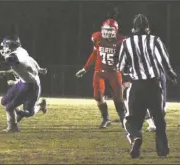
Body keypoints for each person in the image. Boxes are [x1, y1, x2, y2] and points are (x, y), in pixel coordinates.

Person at [117, 14, 177, 158]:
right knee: (159, 119)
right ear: (147, 28)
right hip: (153, 85)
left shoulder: (127, 43)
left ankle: (136, 137)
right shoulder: (155, 40)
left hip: (136, 86)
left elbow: (121, 66)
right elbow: (164, 62)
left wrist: (129, 73)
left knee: (131, 119)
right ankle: (162, 150)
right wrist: (171, 76)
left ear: (134, 28)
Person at [76, 19, 126, 128]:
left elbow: (126, 59)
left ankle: (123, 118)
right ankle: (105, 118)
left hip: (114, 72)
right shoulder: (97, 37)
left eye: (110, 30)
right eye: (105, 30)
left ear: (116, 30)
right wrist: (85, 68)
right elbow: (94, 53)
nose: (107, 32)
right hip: (99, 72)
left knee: (118, 97)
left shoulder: (122, 41)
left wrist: (126, 77)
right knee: (98, 96)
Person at [0, 36, 47, 132]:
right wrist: (39, 68)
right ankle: (16, 116)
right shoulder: (21, 50)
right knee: (4, 101)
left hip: (30, 86)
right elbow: (29, 60)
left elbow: (12, 61)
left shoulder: (13, 57)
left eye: (5, 46)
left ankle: (13, 127)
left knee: (27, 112)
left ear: (10, 46)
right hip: (23, 82)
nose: (4, 48)